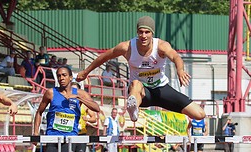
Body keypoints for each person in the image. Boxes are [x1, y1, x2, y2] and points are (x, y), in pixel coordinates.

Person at [76, 16, 205, 122]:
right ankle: (133, 108)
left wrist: (180, 70)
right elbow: (104, 57)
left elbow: (176, 57)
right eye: (141, 32)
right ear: (137, 32)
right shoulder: (127, 47)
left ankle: (135, 106)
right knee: (136, 84)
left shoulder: (161, 46)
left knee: (199, 114)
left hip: (161, 89)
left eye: (147, 32)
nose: (143, 35)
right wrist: (86, 71)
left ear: (152, 33)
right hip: (142, 93)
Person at [71, 81, 97, 152]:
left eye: (75, 90)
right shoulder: (66, 103)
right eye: (71, 90)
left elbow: (94, 118)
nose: (73, 92)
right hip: (70, 134)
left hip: (81, 134)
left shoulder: (85, 104)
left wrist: (86, 118)